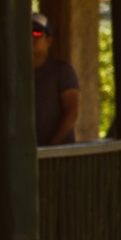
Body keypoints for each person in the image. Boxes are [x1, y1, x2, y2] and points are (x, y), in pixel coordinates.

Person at [32, 13, 79, 145]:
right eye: (25, 32)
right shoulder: (18, 76)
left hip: (58, 157)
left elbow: (71, 113)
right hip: (27, 156)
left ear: (49, 40)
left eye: (36, 33)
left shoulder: (62, 71)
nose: (30, 37)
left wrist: (52, 148)